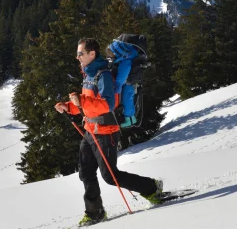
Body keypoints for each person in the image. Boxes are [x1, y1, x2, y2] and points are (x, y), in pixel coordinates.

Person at [55, 38, 163, 227]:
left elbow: (107, 105)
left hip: (106, 132)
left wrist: (81, 102)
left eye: (80, 53)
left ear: (92, 54)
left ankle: (151, 188)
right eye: (77, 53)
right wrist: (69, 107)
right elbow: (86, 103)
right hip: (90, 130)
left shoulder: (102, 75)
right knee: (85, 173)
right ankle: (94, 212)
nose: (77, 57)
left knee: (110, 176)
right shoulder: (88, 75)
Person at [107, 38, 140, 128]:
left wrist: (117, 86)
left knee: (127, 99)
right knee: (127, 99)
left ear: (119, 52)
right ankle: (129, 117)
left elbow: (122, 76)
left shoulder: (126, 62)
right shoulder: (126, 58)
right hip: (128, 83)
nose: (111, 56)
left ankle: (129, 119)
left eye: (112, 54)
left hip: (127, 84)